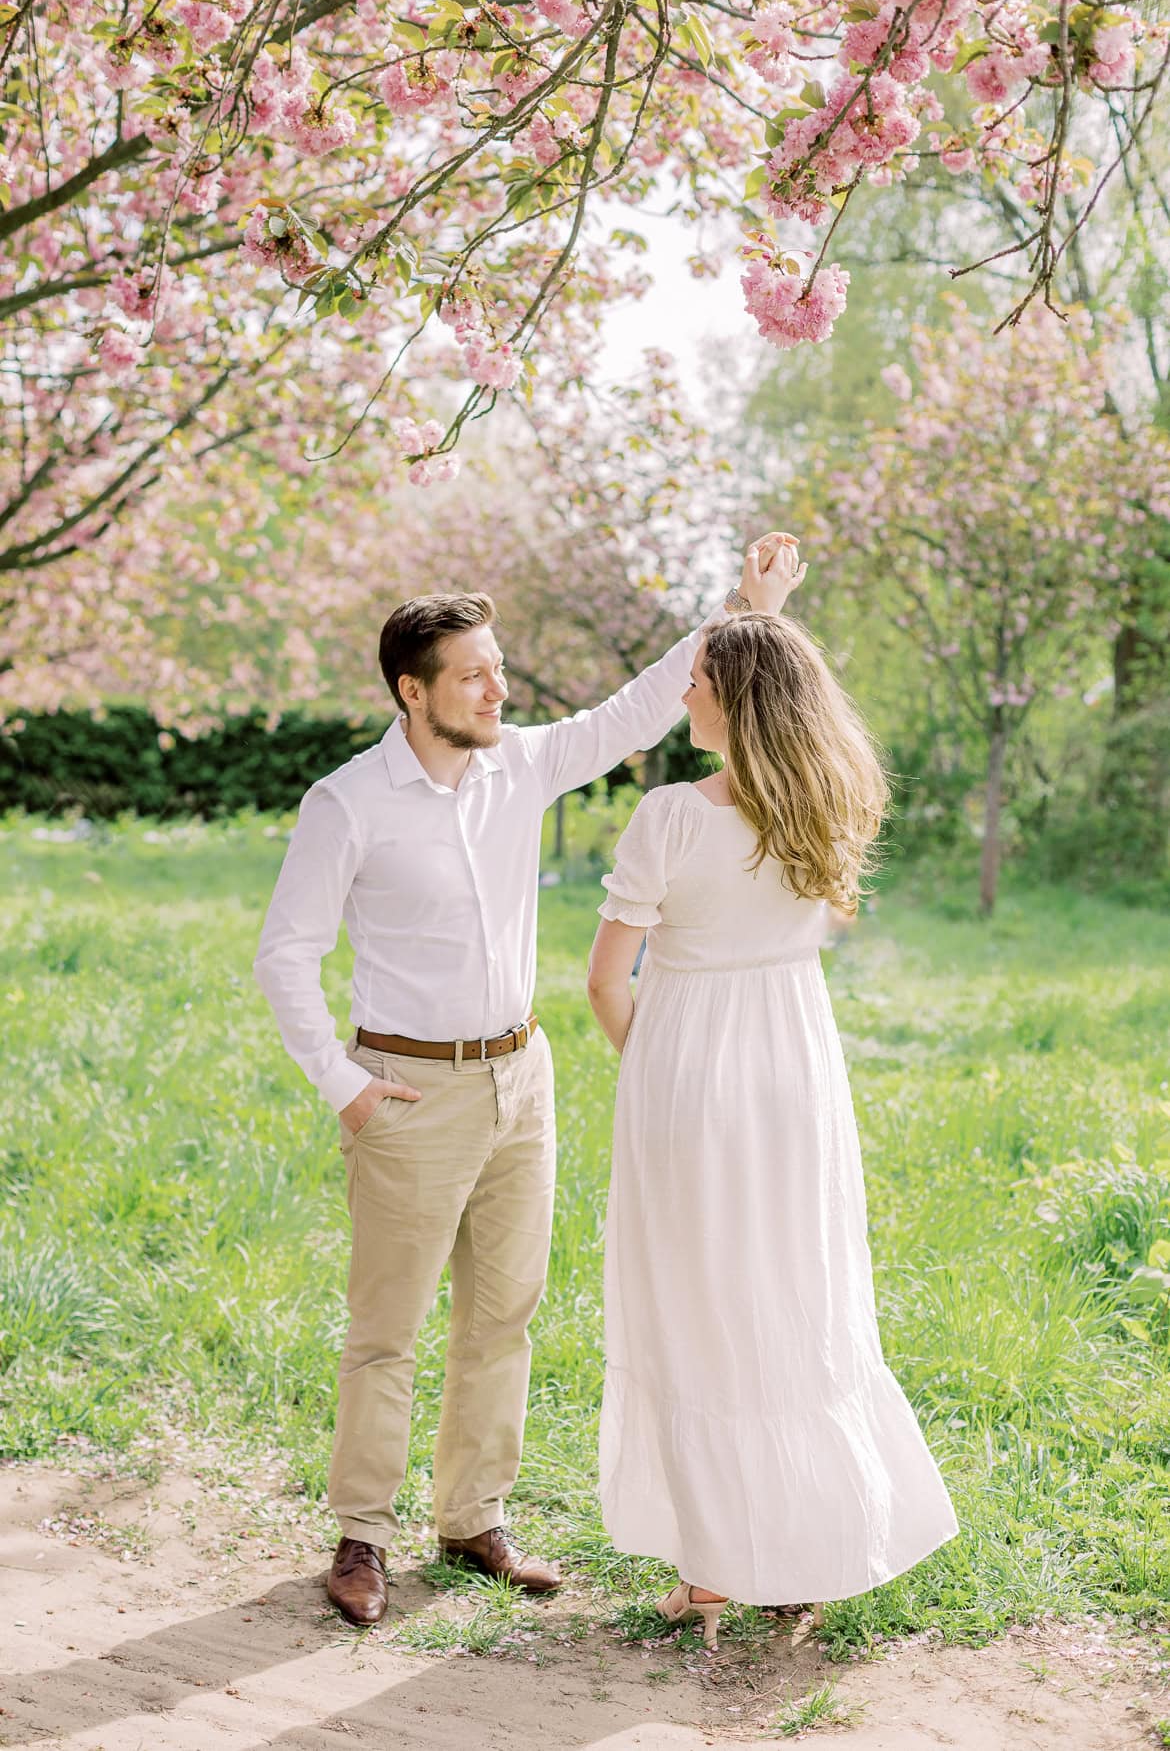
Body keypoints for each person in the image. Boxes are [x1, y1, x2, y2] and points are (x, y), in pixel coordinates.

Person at [252, 540, 803, 1626]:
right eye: (473, 674)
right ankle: (363, 1533)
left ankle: (473, 1521)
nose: (499, 688)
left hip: (522, 1078)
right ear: (413, 692)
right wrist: (344, 1086)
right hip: (406, 1090)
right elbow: (285, 954)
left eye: (499, 667)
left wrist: (746, 606)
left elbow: (638, 709)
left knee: (505, 1315)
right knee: (389, 1328)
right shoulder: (348, 803)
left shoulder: (523, 762)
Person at [586, 563, 958, 1649]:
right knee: (794, 1295)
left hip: (688, 1066)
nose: (684, 694)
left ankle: (712, 1574)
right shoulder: (826, 799)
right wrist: (762, 619)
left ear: (729, 697)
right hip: (797, 1068)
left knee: (696, 1306)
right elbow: (771, 693)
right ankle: (811, 1552)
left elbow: (609, 982)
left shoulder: (667, 819)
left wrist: (658, 1074)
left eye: (697, 678)